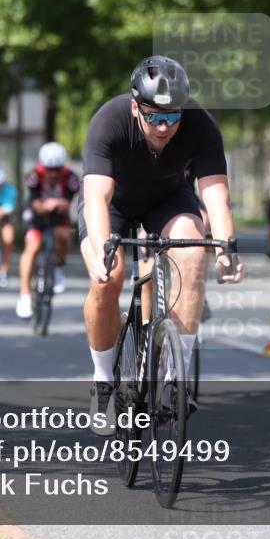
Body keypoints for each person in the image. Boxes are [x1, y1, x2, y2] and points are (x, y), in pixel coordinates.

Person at [79, 55, 245, 435]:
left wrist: (226, 250)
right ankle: (104, 380)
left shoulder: (201, 125)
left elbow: (217, 196)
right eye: (154, 117)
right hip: (113, 203)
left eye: (173, 118)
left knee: (191, 254)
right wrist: (103, 251)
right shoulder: (110, 119)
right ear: (136, 106)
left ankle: (175, 376)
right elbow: (96, 200)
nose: (164, 127)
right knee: (109, 278)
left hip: (168, 200)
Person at [17, 142, 80, 319]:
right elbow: (36, 203)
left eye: (57, 169)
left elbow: (68, 202)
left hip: (59, 215)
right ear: (42, 166)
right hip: (37, 215)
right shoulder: (33, 176)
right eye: (49, 169)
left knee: (64, 236)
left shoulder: (71, 178)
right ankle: (24, 295)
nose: (53, 174)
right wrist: (46, 205)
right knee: (32, 247)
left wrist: (60, 204)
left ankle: (58, 266)